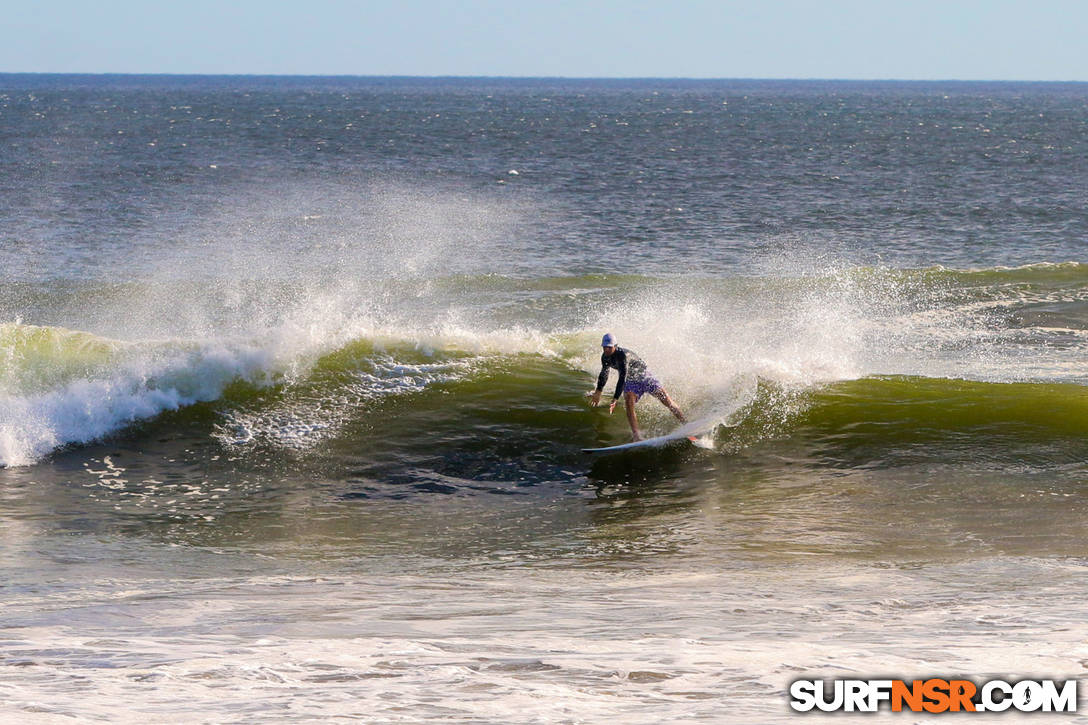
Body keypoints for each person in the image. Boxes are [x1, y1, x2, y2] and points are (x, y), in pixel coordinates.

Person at [587, 333, 686, 441]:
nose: (606, 349)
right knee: (629, 400)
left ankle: (685, 423)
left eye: (609, 347)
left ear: (615, 345)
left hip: (644, 376)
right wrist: (598, 391)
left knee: (666, 400)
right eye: (604, 347)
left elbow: (622, 377)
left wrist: (615, 399)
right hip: (631, 380)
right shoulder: (605, 357)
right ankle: (637, 435)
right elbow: (604, 373)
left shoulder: (622, 355)